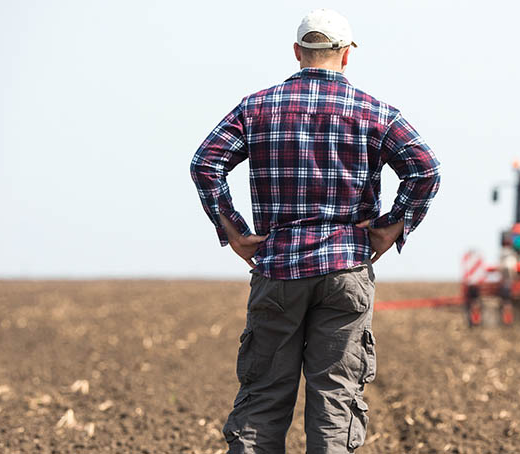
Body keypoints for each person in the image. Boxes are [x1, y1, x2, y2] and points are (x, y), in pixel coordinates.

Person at [189, 9, 440, 453]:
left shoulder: (256, 108)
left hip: (278, 270)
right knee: (336, 402)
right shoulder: (375, 112)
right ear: (346, 56)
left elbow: (205, 163)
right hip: (346, 269)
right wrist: (390, 228)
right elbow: (425, 168)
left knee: (263, 398)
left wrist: (234, 232)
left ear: (297, 52)